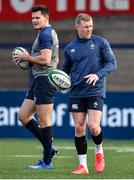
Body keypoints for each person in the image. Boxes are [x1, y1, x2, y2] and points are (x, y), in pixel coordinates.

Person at [61, 13, 117, 174]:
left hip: (95, 90)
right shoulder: (70, 47)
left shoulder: (100, 42)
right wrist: (58, 80)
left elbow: (112, 64)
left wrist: (97, 75)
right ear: (77, 26)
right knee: (79, 127)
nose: (89, 29)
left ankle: (99, 151)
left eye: (91, 26)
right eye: (85, 26)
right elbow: (64, 71)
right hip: (76, 92)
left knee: (93, 127)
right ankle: (83, 166)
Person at [13, 5, 59, 169]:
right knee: (23, 116)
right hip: (39, 79)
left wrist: (27, 57)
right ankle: (49, 147)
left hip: (44, 81)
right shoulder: (47, 32)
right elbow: (55, 60)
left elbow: (46, 60)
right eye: (32, 18)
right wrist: (30, 60)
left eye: (37, 17)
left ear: (46, 18)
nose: (34, 20)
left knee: (44, 121)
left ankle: (47, 161)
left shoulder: (45, 34)